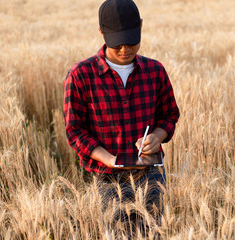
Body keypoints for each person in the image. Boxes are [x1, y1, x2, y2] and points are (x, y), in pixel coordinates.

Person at [63, 0, 180, 236]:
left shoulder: (155, 71)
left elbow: (169, 114)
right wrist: (108, 159)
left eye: (132, 41)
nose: (125, 50)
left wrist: (157, 137)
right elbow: (74, 131)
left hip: (151, 174)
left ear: (141, 27)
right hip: (107, 180)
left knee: (154, 233)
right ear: (101, 33)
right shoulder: (80, 76)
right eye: (117, 44)